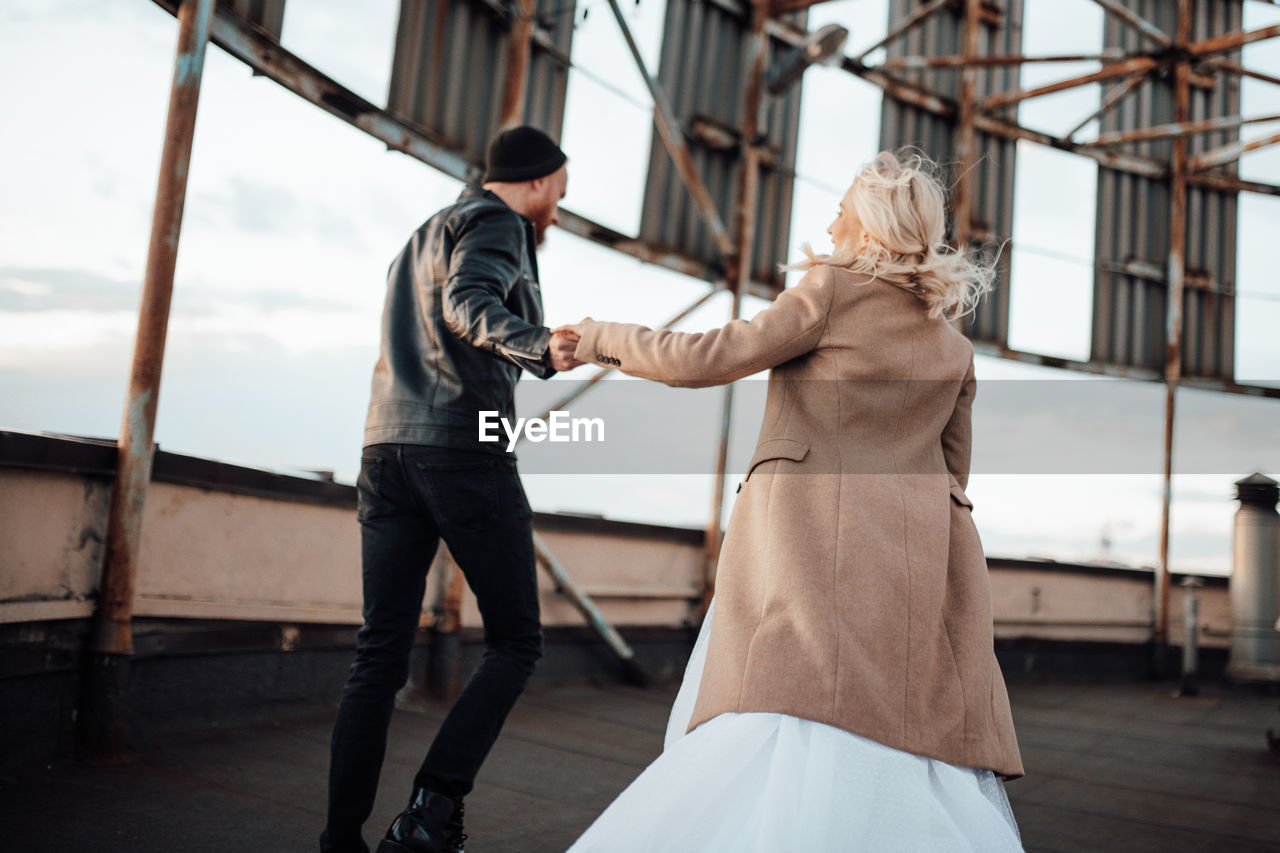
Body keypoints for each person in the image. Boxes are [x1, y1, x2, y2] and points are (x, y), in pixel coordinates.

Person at [555, 149, 1026, 851]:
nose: (830, 218)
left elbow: (704, 357)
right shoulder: (952, 346)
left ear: (866, 223)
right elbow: (954, 474)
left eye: (842, 205)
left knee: (782, 711)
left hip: (807, 547)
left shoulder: (831, 292)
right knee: (897, 729)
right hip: (915, 564)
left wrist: (597, 338)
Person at [320, 126, 585, 853]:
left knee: (378, 652)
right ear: (536, 181)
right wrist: (539, 343)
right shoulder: (501, 223)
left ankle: (341, 841)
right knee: (517, 641)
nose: (557, 211)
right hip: (461, 446)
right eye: (559, 194)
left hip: (385, 446)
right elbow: (468, 303)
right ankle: (430, 816)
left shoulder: (417, 237)